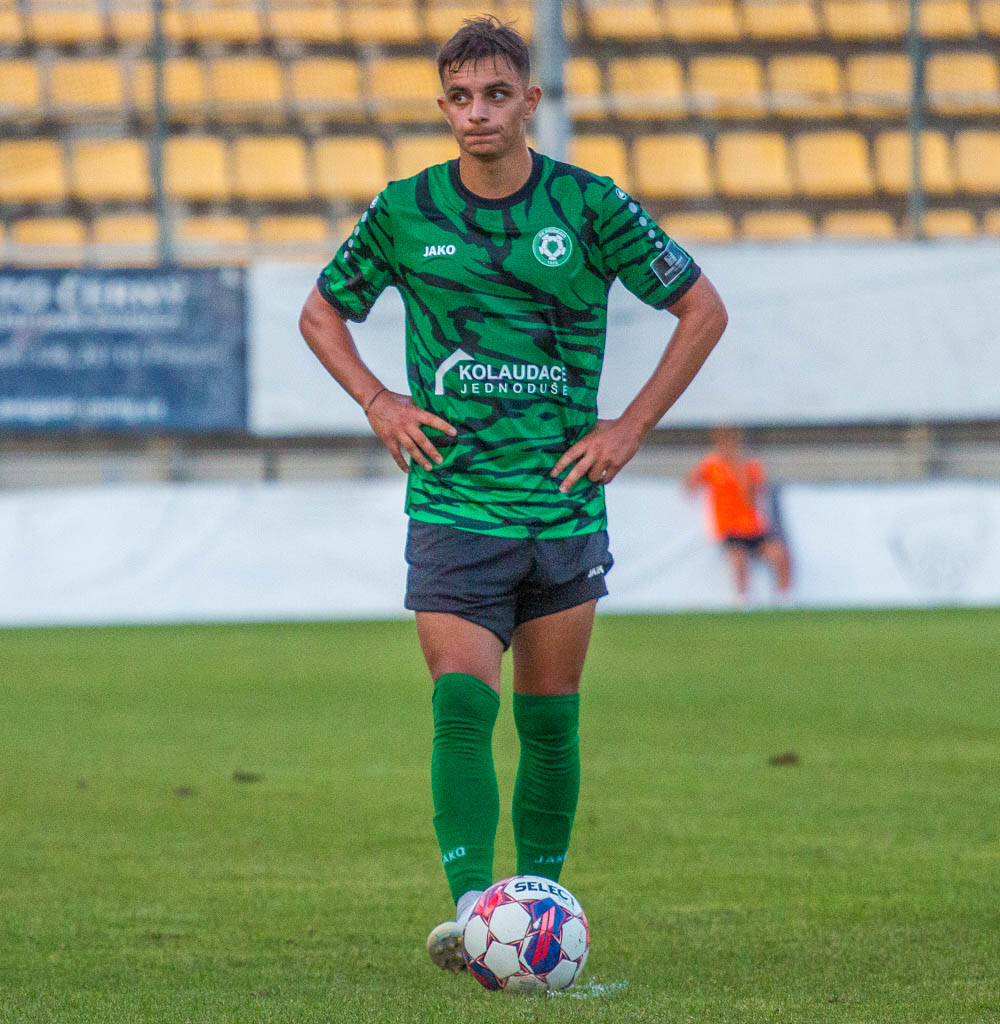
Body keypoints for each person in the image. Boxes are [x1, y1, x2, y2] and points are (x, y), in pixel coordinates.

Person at [298, 16, 728, 975]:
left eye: (496, 95)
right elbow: (321, 311)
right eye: (460, 98)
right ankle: (472, 914)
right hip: (455, 502)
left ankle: (535, 907)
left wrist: (629, 428)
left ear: (530, 101)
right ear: (442, 106)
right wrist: (378, 400)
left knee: (549, 717)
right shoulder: (406, 209)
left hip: (563, 503)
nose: (478, 114)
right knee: (461, 703)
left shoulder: (589, 205)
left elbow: (702, 308)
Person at [685, 426, 792, 603]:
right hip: (730, 529)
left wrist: (737, 468)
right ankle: (743, 599)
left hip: (754, 528)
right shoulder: (711, 465)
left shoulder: (749, 465)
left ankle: (783, 598)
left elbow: (751, 496)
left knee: (779, 554)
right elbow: (689, 487)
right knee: (738, 558)